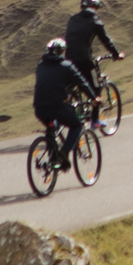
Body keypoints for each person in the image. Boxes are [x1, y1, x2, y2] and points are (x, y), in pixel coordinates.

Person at [32, 37, 91, 169]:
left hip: (39, 108)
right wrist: (94, 97)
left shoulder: (40, 66)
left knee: (51, 127)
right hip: (57, 107)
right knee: (76, 125)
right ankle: (64, 152)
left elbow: (49, 82)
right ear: (62, 52)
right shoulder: (66, 65)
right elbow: (82, 82)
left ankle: (54, 160)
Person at [63, 0, 122, 97]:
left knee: (70, 84)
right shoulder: (95, 21)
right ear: (95, 7)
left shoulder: (72, 19)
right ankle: (95, 111)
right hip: (84, 60)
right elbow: (106, 40)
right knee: (95, 91)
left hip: (67, 60)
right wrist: (116, 54)